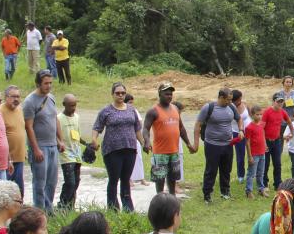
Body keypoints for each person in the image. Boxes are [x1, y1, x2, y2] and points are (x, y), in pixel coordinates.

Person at [89, 82, 140, 211]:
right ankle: (113, 208)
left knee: (126, 179)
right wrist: (94, 139)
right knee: (113, 180)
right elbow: (97, 127)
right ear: (112, 94)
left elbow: (137, 128)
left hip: (130, 149)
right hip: (112, 151)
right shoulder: (106, 111)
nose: (120, 95)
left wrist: (144, 142)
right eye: (118, 93)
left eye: (123, 93)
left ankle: (128, 209)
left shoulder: (131, 109)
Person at [143, 82, 194, 196]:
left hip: (174, 151)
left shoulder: (175, 108)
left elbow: (181, 128)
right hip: (160, 153)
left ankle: (172, 198)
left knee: (172, 178)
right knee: (160, 179)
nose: (169, 96)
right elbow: (145, 128)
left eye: (171, 94)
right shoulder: (153, 111)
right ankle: (160, 199)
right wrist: (146, 141)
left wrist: (188, 143)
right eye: (166, 94)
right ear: (159, 94)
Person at [24, 70, 63, 211]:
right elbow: (28, 127)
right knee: (40, 182)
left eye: (50, 83)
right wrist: (35, 149)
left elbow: (54, 118)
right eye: (46, 83)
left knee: (52, 181)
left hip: (53, 145)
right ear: (38, 84)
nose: (49, 86)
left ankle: (49, 209)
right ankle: (39, 211)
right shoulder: (30, 101)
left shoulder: (51, 98)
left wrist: (60, 140)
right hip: (40, 146)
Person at [194, 88, 241, 202]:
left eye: (231, 100)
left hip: (228, 144)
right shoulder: (208, 107)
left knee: (226, 169)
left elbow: (239, 119)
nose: (230, 102)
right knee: (211, 170)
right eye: (228, 99)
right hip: (212, 145)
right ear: (221, 97)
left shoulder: (231, 107)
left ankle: (225, 192)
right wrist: (196, 144)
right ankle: (207, 194)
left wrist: (241, 130)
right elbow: (197, 125)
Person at [1, 85, 28, 195]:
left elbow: (21, 130)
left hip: (19, 158)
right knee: (6, 192)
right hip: (7, 160)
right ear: (6, 97)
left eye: (18, 96)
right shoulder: (0, 111)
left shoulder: (20, 110)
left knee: (19, 191)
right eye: (13, 96)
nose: (16, 99)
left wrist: (24, 150)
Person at [262, 94, 292, 190]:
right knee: (265, 164)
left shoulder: (282, 112)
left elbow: (289, 122)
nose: (280, 103)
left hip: (277, 141)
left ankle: (278, 184)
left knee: (277, 164)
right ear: (273, 102)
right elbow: (261, 128)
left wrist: (292, 133)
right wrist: (264, 143)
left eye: (281, 101)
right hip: (267, 141)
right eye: (278, 101)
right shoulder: (267, 112)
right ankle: (264, 183)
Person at [58, 94, 83, 209]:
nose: (73, 108)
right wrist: (59, 143)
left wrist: (87, 144)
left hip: (76, 153)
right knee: (70, 182)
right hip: (65, 153)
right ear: (64, 105)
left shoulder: (77, 117)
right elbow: (55, 134)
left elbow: (77, 135)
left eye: (75, 105)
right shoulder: (58, 118)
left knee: (76, 181)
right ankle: (62, 205)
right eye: (71, 106)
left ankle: (70, 206)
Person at [244, 106, 268, 198]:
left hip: (262, 153)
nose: (259, 116)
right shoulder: (249, 127)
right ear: (252, 115)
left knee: (260, 173)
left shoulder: (261, 124)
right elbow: (247, 142)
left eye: (261, 114)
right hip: (254, 154)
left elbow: (263, 135)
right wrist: (250, 156)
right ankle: (248, 191)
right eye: (257, 114)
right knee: (251, 173)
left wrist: (265, 145)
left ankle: (261, 189)